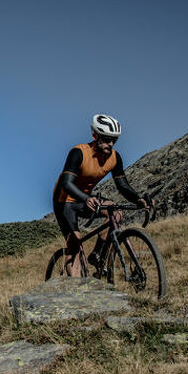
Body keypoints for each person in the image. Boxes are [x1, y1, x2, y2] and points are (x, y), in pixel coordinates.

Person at [52, 114, 150, 276]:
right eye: (106, 139)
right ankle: (76, 291)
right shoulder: (79, 152)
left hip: (85, 200)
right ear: (95, 136)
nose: (110, 144)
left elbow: (122, 185)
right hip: (65, 201)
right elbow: (66, 183)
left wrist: (138, 199)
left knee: (115, 211)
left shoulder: (114, 158)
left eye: (114, 140)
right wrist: (86, 198)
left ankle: (97, 255)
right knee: (75, 245)